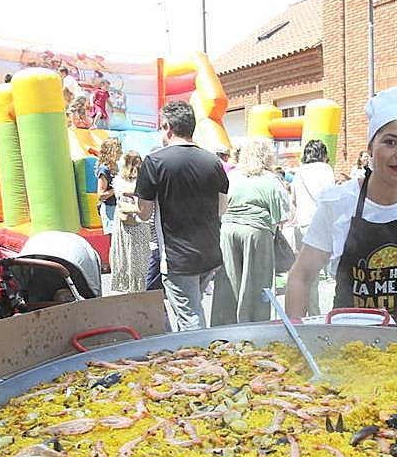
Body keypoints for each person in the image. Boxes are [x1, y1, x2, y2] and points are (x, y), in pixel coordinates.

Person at [285, 87, 397, 329]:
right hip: (350, 340)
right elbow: (301, 276)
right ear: (369, 148)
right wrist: (295, 334)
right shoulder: (339, 203)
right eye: (390, 142)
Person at [135, 101, 229, 330]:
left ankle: (203, 362)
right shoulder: (213, 161)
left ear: (167, 126)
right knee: (194, 310)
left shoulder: (154, 161)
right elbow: (222, 208)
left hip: (178, 257)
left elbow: (144, 213)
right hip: (209, 253)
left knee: (190, 319)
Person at [210, 139, 290, 326]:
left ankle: (224, 328)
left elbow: (220, 207)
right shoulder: (270, 180)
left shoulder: (233, 176)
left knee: (228, 284)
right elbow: (283, 216)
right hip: (256, 232)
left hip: (228, 230)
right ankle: (253, 326)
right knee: (255, 283)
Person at [290, 139, 336, 316]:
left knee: (305, 276)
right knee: (322, 276)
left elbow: (293, 200)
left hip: (302, 224)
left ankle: (305, 314)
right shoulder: (325, 169)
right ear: (323, 154)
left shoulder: (299, 172)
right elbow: (330, 196)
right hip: (320, 225)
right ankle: (316, 316)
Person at [110, 150, 153, 293]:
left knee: (124, 250)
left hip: (122, 218)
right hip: (138, 217)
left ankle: (126, 282)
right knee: (139, 251)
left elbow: (119, 194)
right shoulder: (142, 180)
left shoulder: (118, 180)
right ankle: (140, 282)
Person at [95, 137, 120, 233]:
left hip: (116, 206)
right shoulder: (104, 169)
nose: (120, 154)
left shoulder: (115, 166)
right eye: (118, 152)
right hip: (109, 208)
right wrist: (116, 188)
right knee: (113, 238)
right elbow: (101, 195)